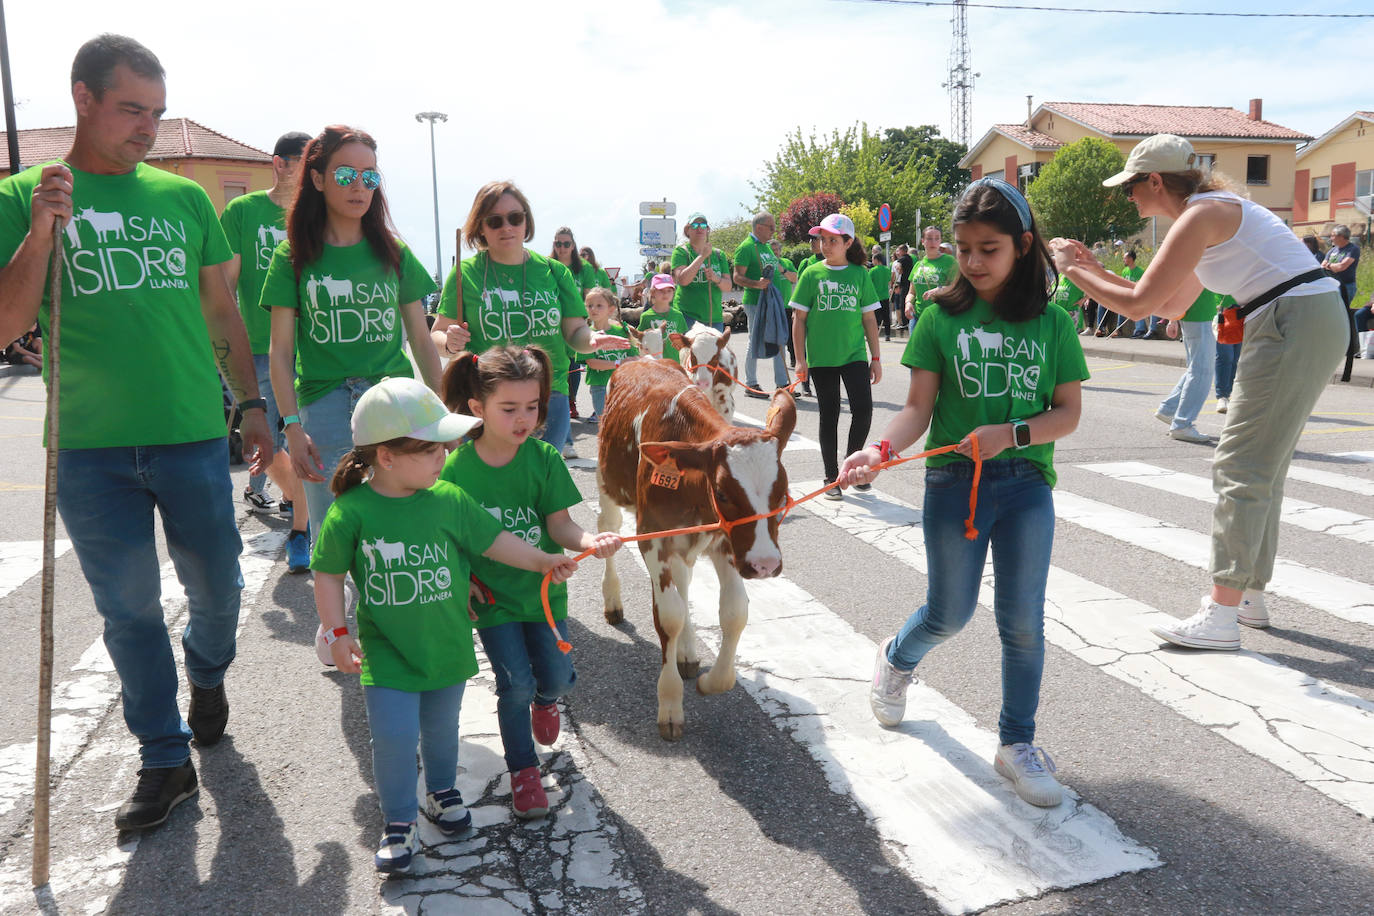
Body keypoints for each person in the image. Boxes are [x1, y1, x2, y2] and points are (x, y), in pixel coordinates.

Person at [0, 34, 274, 830]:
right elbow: (7, 319)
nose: (147, 128)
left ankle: (208, 671)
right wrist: (41, 233)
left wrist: (252, 405)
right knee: (128, 612)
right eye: (131, 109)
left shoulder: (184, 198)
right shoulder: (25, 194)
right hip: (88, 447)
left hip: (191, 432)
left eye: (156, 112)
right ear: (82, 98)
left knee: (218, 586)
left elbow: (221, 309)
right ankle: (163, 757)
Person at [841, 177, 1086, 808]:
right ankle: (896, 658)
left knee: (1022, 621)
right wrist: (878, 450)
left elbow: (1067, 414)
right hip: (955, 485)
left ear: (1022, 246)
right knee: (950, 611)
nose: (973, 262)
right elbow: (918, 408)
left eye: (989, 249)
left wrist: (1012, 433)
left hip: (1029, 483)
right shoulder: (938, 318)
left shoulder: (1053, 323)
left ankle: (1017, 743)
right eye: (963, 248)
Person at [1049, 133, 1346, 650]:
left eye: (1131, 187)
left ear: (1156, 181)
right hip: (1306, 315)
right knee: (1262, 464)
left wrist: (1070, 269)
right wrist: (1093, 270)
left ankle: (1222, 614)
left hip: (1291, 318)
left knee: (1241, 465)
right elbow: (1171, 305)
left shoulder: (1201, 216)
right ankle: (1247, 593)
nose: (1129, 197)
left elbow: (1140, 306)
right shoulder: (1212, 212)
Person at [312, 376, 579, 873]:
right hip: (387, 649)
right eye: (432, 449)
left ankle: (441, 793)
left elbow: (495, 540)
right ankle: (397, 822)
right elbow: (327, 576)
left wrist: (544, 560)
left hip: (448, 643)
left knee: (441, 732)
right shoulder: (351, 511)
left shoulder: (449, 498)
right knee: (391, 737)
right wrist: (338, 632)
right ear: (387, 457)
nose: (445, 455)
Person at [262, 125, 445, 665]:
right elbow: (279, 353)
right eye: (346, 174)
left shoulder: (393, 252)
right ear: (317, 179)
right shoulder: (293, 257)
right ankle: (337, 627)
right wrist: (291, 426)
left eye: (369, 175)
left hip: (391, 402)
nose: (359, 185)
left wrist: (440, 416)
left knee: (394, 517)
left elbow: (420, 335)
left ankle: (384, 635)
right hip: (323, 405)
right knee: (335, 525)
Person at [439, 346, 622, 818]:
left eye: (533, 406)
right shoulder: (456, 469)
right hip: (494, 598)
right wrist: (464, 581)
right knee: (513, 683)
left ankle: (548, 700)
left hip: (544, 594)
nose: (524, 419)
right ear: (477, 408)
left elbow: (560, 525)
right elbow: (451, 539)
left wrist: (589, 539)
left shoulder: (543, 458)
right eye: (509, 409)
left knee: (556, 678)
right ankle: (524, 772)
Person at [429, 181, 629, 460]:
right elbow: (437, 336)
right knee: (484, 493)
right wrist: (449, 341)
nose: (507, 227)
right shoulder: (466, 273)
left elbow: (575, 331)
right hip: (484, 399)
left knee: (537, 492)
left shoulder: (554, 271)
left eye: (515, 217)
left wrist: (591, 340)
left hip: (548, 395)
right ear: (481, 228)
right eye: (495, 221)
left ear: (526, 221)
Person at [221, 130, 312, 571]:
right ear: (279, 163)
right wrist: (219, 345)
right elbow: (226, 283)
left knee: (314, 438)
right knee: (267, 442)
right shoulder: (243, 210)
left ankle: (303, 526)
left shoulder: (317, 215)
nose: (312, 170)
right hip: (258, 346)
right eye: (303, 161)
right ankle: (300, 500)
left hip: (313, 348)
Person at [791, 214, 882, 499]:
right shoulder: (811, 274)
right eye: (823, 239)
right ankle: (832, 476)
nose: (825, 245)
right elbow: (799, 319)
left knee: (863, 410)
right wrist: (800, 359)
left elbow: (869, 319)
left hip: (854, 354)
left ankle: (852, 467)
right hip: (821, 358)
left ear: (848, 242)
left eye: (832, 240)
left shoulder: (860, 274)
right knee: (828, 415)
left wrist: (876, 358)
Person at [732, 212, 789, 395]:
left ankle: (782, 384)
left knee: (779, 338)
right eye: (771, 227)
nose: (774, 230)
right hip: (756, 302)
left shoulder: (766, 247)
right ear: (759, 227)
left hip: (773, 301)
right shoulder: (746, 247)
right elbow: (737, 277)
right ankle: (751, 383)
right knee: (755, 340)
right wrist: (756, 284)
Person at [1153, 287, 1219, 443]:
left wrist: (1173, 318)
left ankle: (1170, 410)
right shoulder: (1197, 261)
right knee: (1202, 371)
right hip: (1199, 313)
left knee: (1196, 369)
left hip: (1196, 312)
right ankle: (1182, 424)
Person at [550, 227, 594, 422]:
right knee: (555, 364)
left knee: (574, 364)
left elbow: (589, 295)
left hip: (575, 323)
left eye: (566, 244)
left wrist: (589, 319)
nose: (562, 248)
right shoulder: (547, 265)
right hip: (552, 323)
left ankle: (571, 401)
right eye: (558, 243)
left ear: (573, 246)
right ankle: (556, 403)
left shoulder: (584, 268)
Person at [582, 286, 637, 421]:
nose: (593, 309)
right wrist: (618, 363)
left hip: (623, 385)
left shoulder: (622, 331)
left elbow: (634, 356)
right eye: (590, 306)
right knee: (606, 424)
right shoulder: (585, 335)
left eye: (599, 305)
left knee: (625, 424)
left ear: (611, 309)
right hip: (600, 386)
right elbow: (592, 363)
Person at [670, 212, 731, 331]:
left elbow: (728, 287)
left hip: (714, 318)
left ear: (707, 230)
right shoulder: (681, 252)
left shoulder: (719, 255)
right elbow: (682, 280)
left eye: (703, 226)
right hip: (687, 317)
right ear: (688, 230)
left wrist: (715, 278)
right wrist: (702, 256)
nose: (699, 228)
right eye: (694, 225)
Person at [1322, 224, 1360, 379]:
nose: (1330, 238)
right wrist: (1332, 266)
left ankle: (1350, 347)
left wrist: (1330, 266)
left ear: (1341, 236)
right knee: (1331, 316)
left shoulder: (1353, 249)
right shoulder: (1332, 250)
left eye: (1333, 235)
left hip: (1346, 287)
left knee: (1342, 315)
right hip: (1331, 286)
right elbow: (1322, 266)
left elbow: (1343, 267)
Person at [905, 226, 957, 327]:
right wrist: (908, 303)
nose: (933, 242)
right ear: (923, 241)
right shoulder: (918, 265)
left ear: (940, 241)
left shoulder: (949, 261)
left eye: (937, 238)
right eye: (929, 238)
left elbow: (959, 287)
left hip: (941, 316)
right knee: (914, 343)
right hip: (918, 317)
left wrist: (940, 289)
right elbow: (911, 292)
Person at [638, 273, 690, 362]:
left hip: (675, 363)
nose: (665, 293)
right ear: (653, 292)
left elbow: (683, 339)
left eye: (669, 290)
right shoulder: (646, 317)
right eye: (661, 290)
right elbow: (640, 340)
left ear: (674, 292)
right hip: (654, 364)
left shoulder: (678, 315)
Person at [1122, 251, 1159, 339]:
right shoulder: (1124, 271)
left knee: (1139, 305)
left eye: (1125, 258)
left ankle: (1142, 330)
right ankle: (1121, 329)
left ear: (1131, 259)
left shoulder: (1140, 271)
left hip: (1145, 295)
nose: (1123, 260)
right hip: (1131, 294)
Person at [1213, 294, 1239, 410]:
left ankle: (1230, 394)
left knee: (1236, 358)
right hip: (1225, 310)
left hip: (1243, 310)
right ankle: (1222, 396)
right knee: (1225, 356)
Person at [870, 249, 893, 342]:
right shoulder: (887, 270)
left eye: (872, 259)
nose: (872, 261)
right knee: (886, 317)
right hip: (885, 296)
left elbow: (868, 283)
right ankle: (887, 335)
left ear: (876, 260)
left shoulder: (872, 270)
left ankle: (874, 335)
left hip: (875, 297)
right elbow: (889, 281)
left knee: (875, 318)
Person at [892, 243, 915, 329]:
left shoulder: (904, 258)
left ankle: (905, 322)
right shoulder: (909, 258)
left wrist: (899, 269)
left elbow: (897, 266)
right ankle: (906, 322)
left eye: (899, 250)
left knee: (902, 302)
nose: (898, 253)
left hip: (905, 283)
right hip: (907, 282)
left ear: (903, 251)